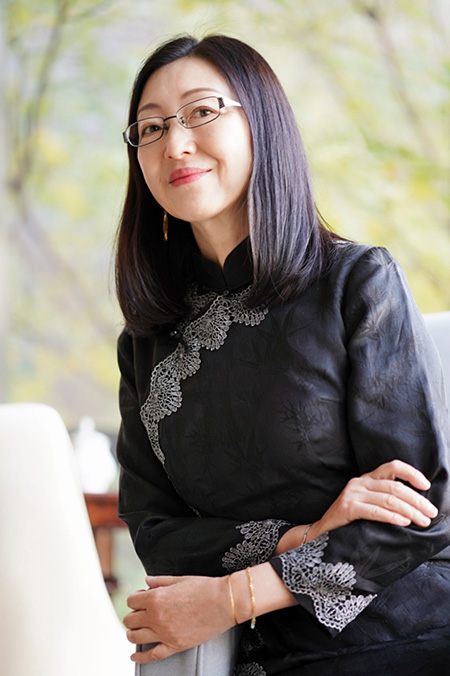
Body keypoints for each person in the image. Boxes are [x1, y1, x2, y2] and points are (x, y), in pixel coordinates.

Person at [115, 34, 450, 675]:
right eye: (151, 128)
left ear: (262, 123)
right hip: (271, 657)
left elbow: (418, 512)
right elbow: (156, 534)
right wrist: (309, 534)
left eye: (202, 112)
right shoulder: (144, 342)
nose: (175, 144)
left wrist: (235, 596)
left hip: (409, 635)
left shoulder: (356, 281)